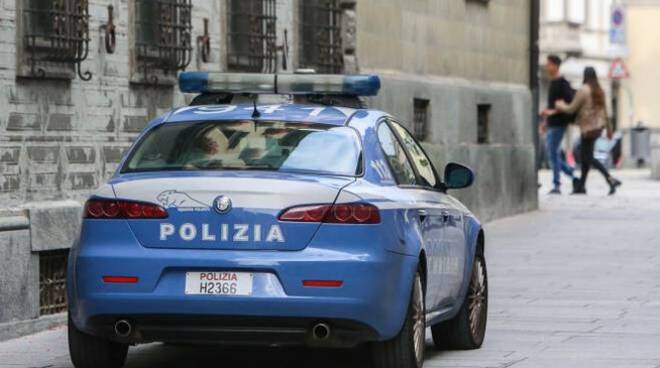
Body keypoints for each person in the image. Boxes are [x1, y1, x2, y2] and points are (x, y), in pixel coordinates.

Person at [555, 67, 622, 195]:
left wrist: (560, 105)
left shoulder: (584, 90)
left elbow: (571, 108)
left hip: (587, 128)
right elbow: (606, 113)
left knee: (587, 157)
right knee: (586, 157)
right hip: (598, 128)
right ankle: (582, 186)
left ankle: (610, 179)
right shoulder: (599, 90)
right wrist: (609, 129)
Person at [542, 55, 579, 194]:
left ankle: (557, 184)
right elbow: (551, 105)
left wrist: (554, 111)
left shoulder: (562, 83)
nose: (546, 67)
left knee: (552, 153)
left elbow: (569, 103)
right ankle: (571, 174)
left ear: (555, 66)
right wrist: (546, 120)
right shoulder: (553, 82)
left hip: (559, 123)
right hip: (552, 123)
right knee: (552, 153)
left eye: (549, 64)